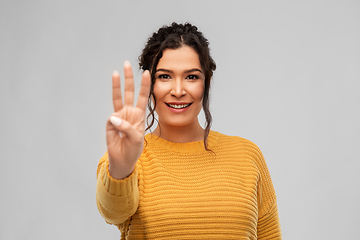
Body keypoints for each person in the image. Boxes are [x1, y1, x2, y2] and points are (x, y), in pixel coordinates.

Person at [96, 22, 282, 239]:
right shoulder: (126, 160)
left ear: (206, 82)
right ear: (150, 84)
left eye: (191, 76)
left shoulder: (248, 156)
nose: (177, 91)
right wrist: (122, 167)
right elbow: (113, 212)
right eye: (165, 76)